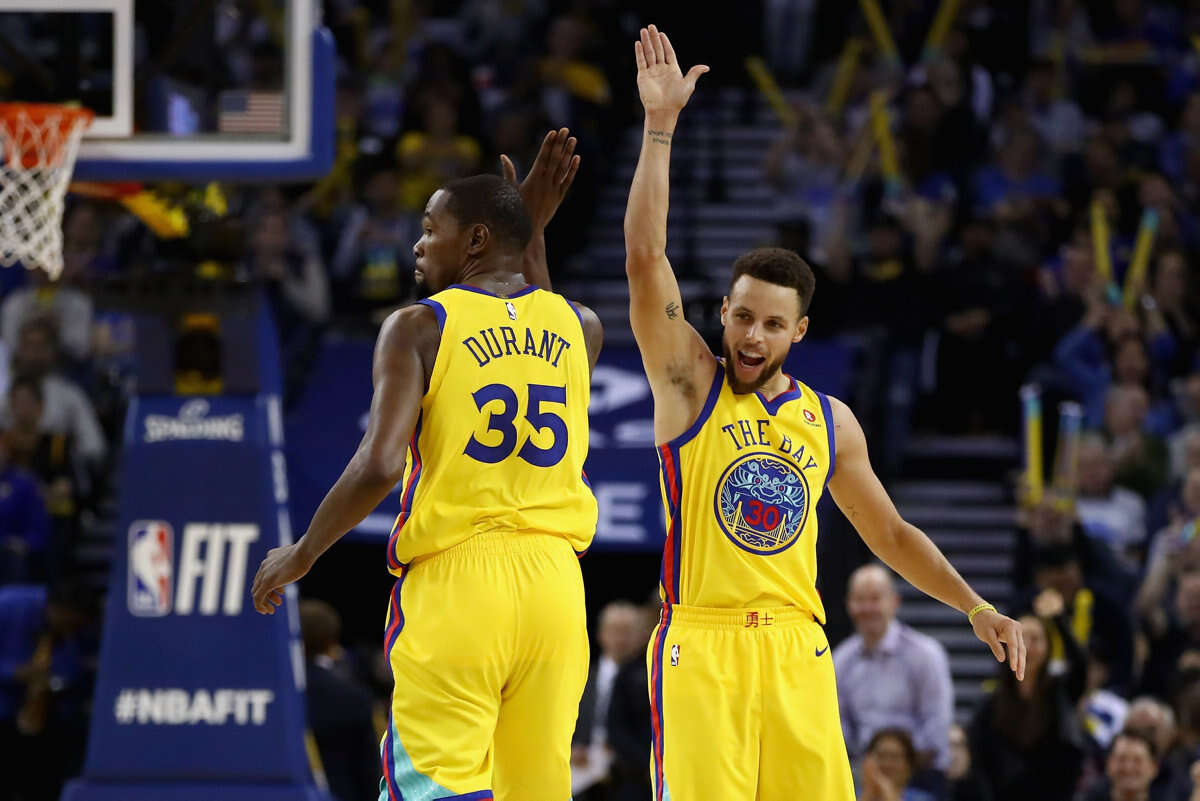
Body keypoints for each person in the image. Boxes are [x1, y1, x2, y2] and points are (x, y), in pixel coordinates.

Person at [623, 25, 1025, 801]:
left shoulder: (830, 420)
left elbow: (892, 534)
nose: (753, 335)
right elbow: (645, 258)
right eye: (744, 317)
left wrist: (974, 606)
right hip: (701, 642)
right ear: (724, 313)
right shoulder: (690, 383)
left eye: (772, 324)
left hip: (799, 648)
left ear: (798, 332)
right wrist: (660, 125)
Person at [252, 130, 604, 801]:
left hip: (460, 579)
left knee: (432, 789)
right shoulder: (582, 325)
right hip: (557, 588)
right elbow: (539, 312)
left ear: (475, 240)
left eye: (429, 228)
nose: (417, 245)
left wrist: (303, 551)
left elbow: (381, 463)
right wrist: (529, 232)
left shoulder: (419, 325)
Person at [833, 565, 954, 787]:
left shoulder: (926, 654)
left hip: (918, 772)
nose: (867, 608)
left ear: (894, 602)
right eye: (859, 600)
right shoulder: (840, 659)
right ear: (849, 605)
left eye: (875, 599)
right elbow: (838, 723)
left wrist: (898, 764)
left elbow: (936, 723)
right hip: (861, 772)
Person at [572, 601, 643, 800]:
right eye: (614, 631)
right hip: (583, 766)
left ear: (639, 635)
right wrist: (574, 746)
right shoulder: (582, 676)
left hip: (628, 774)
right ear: (600, 633)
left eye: (626, 631)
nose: (620, 639)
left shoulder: (647, 679)